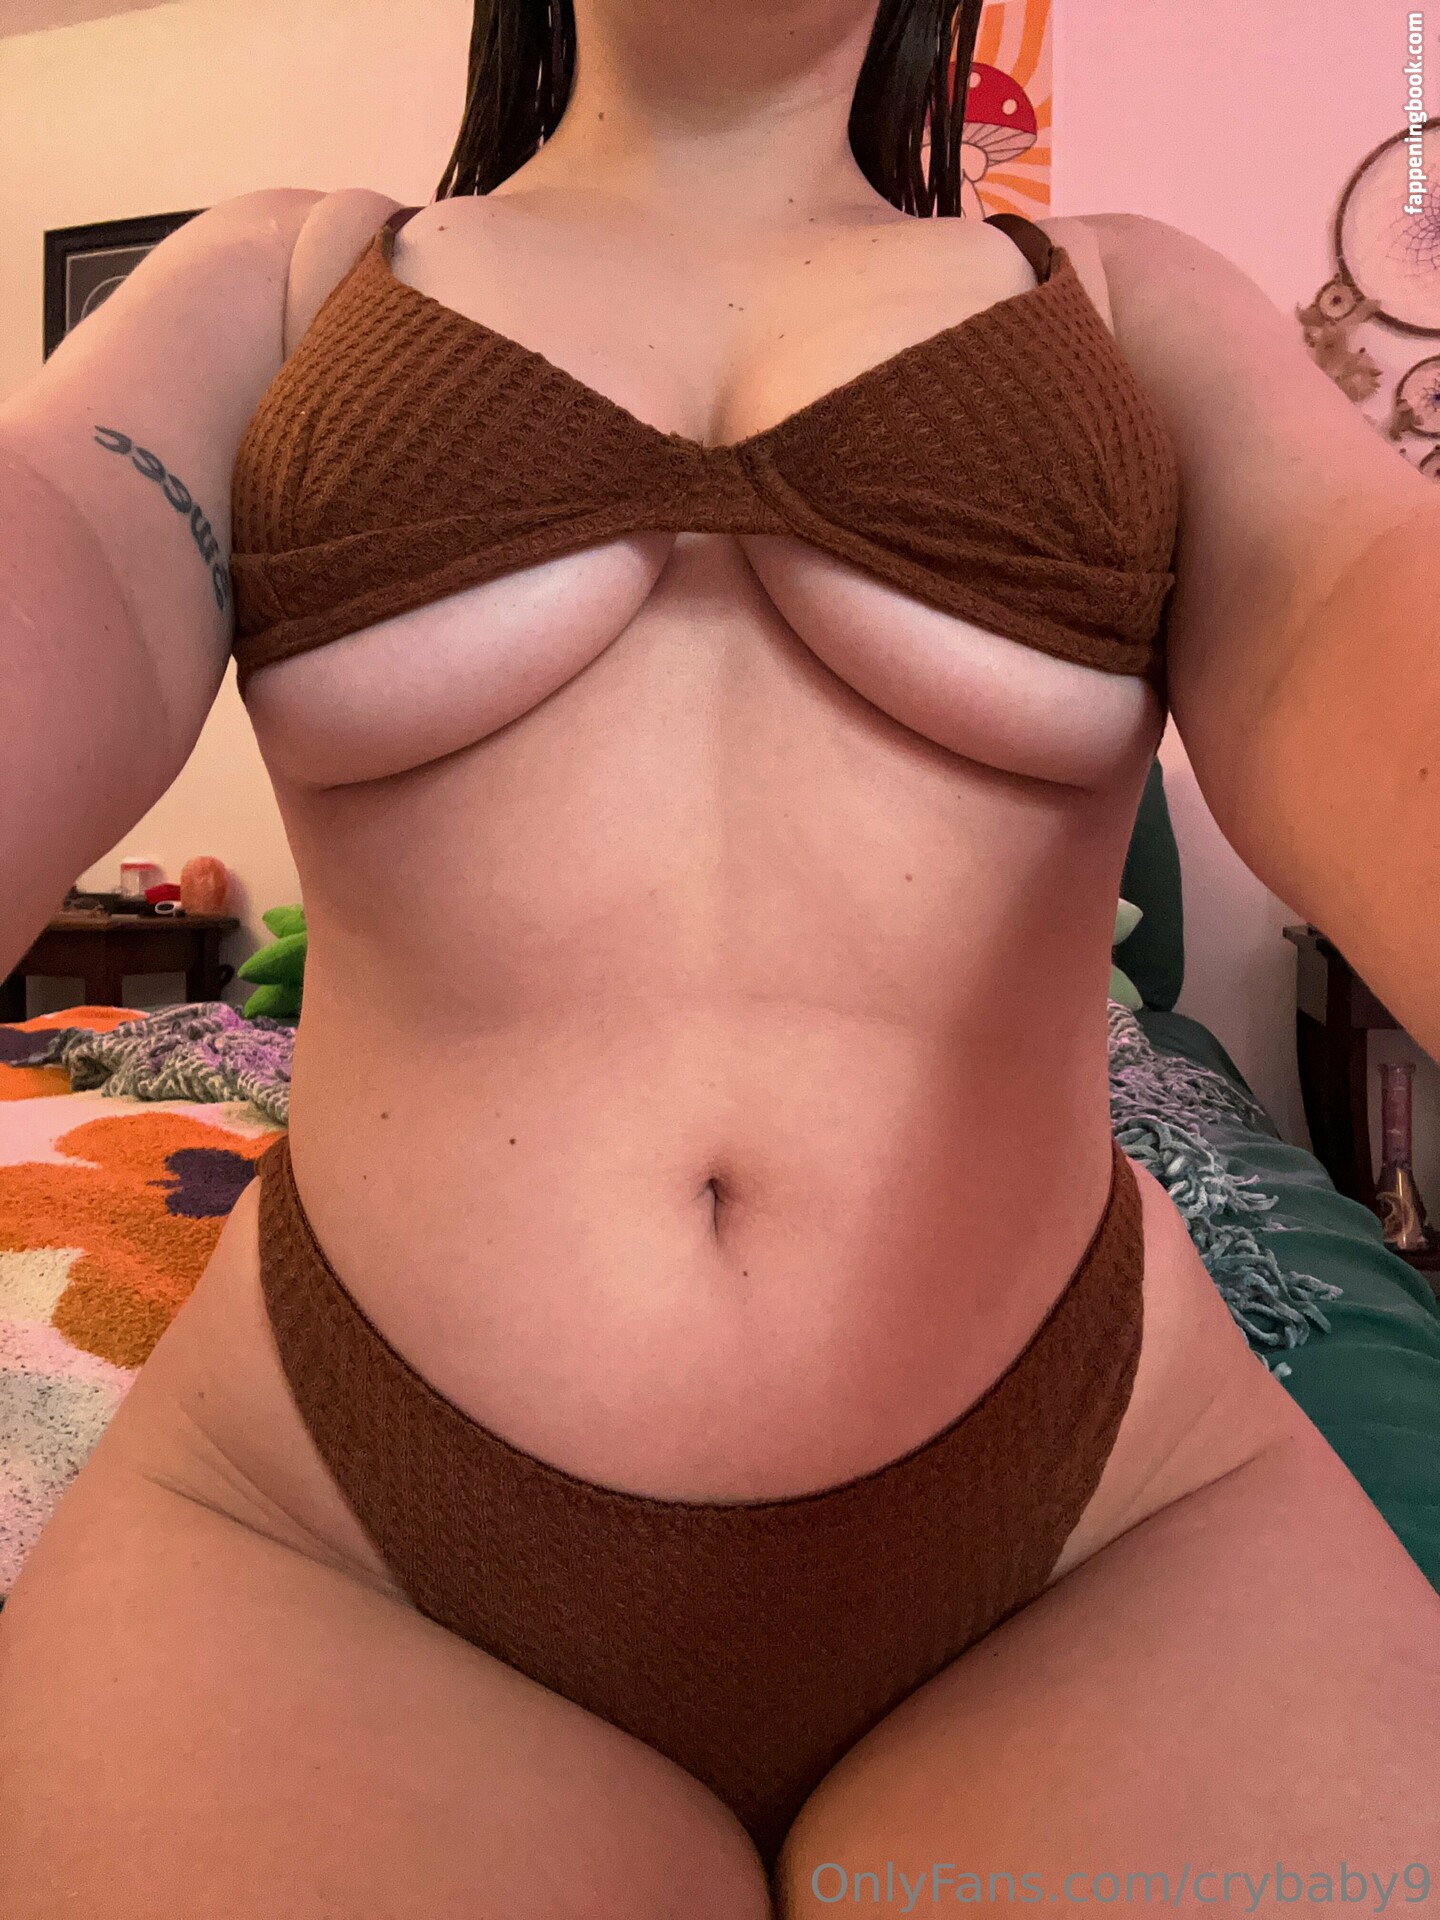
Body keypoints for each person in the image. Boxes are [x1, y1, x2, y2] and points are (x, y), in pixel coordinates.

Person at [1, 2, 1437, 1914]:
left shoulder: (1126, 300)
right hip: (325, 1530)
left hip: (1107, 1524)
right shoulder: (278, 282)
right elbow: (62, 554)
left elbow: (1352, 608)